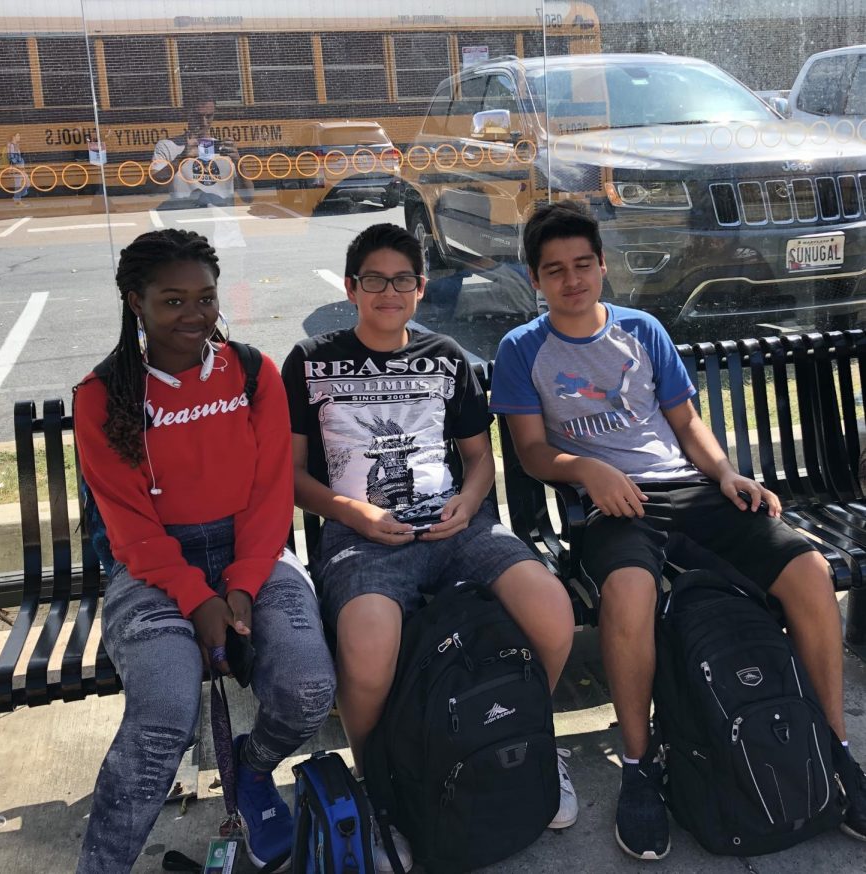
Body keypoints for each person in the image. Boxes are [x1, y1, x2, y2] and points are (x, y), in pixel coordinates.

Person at [489, 201, 866, 860]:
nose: (572, 280)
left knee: (806, 570)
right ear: (536, 278)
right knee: (630, 597)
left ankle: (831, 746)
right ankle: (639, 765)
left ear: (602, 265)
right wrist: (587, 469)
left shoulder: (642, 330)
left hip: (688, 492)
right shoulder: (523, 350)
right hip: (609, 510)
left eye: (583, 265)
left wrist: (726, 474)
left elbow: (687, 424)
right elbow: (528, 452)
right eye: (555, 271)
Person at [281, 223, 578, 873]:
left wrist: (470, 503)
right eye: (375, 280)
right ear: (351, 286)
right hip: (364, 538)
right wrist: (347, 508)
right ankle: (382, 787)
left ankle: (529, 737)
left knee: (551, 611)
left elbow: (480, 460)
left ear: (420, 289)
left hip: (456, 529)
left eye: (403, 280)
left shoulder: (446, 357)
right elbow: (294, 476)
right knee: (368, 641)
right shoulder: (310, 360)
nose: (390, 292)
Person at [73, 229, 335, 873]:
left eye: (206, 299)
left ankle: (250, 766)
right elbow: (130, 528)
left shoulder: (252, 373)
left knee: (309, 689)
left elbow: (271, 493)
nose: (193, 316)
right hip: (153, 569)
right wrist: (197, 600)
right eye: (172, 301)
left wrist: (243, 584)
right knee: (164, 713)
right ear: (136, 302)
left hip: (255, 550)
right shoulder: (102, 396)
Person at [151, 85, 253, 208]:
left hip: (224, 224)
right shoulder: (168, 146)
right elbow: (151, 188)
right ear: (186, 113)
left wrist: (238, 162)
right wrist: (182, 159)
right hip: (189, 222)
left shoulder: (221, 148)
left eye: (209, 116)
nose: (204, 123)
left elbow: (248, 197)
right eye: (198, 116)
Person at [6, 132, 28, 203]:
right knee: (18, 185)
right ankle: (17, 200)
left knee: (27, 183)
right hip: (17, 168)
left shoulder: (16, 145)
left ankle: (18, 196)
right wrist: (17, 166)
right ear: (13, 137)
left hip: (21, 167)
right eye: (18, 135)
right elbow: (11, 157)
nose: (19, 137)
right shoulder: (11, 145)